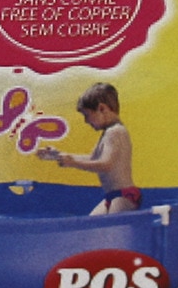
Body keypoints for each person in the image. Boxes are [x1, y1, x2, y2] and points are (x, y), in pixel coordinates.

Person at [39, 83, 139, 214]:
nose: (86, 121)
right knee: (92, 222)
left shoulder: (115, 132)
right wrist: (58, 155)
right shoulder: (108, 132)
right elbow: (92, 158)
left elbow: (106, 165)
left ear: (102, 109)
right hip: (113, 195)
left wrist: (73, 163)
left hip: (123, 195)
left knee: (109, 224)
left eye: (87, 115)